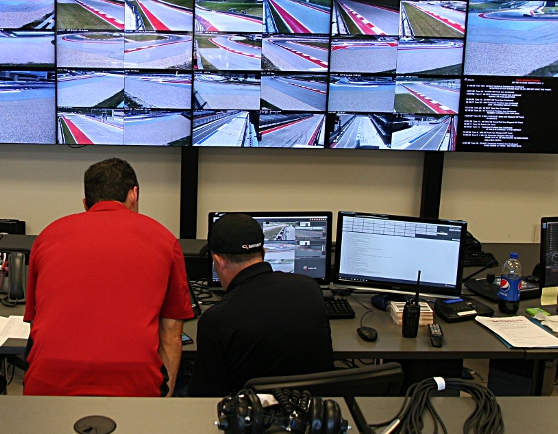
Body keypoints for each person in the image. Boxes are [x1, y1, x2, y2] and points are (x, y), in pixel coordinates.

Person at [23, 158, 193, 397]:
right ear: (134, 195)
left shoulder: (47, 236)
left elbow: (35, 322)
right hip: (135, 385)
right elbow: (172, 335)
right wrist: (164, 400)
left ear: (86, 203)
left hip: (48, 383)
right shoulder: (165, 239)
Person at [188, 213, 333, 397]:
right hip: (312, 408)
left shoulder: (216, 320)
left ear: (218, 261)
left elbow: (204, 395)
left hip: (252, 412)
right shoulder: (309, 288)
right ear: (264, 253)